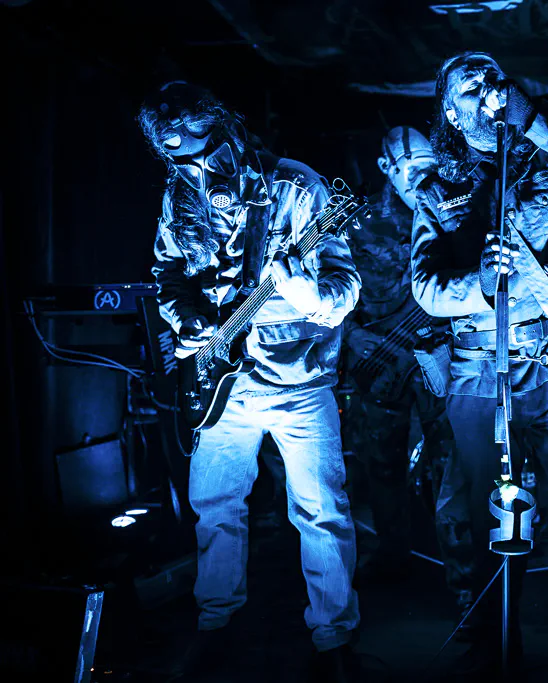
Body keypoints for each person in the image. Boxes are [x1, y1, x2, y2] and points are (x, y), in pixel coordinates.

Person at [411, 51, 548, 682]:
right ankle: (494, 648)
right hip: (480, 370)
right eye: (468, 85)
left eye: (491, 76)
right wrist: (477, 287)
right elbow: (425, 287)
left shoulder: (546, 157)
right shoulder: (435, 186)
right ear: (451, 111)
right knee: (488, 518)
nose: (485, 87)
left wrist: (531, 118)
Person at [139, 81, 362, 682]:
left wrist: (301, 289)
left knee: (321, 513)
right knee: (215, 510)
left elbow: (344, 290)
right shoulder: (179, 196)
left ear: (231, 133)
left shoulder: (297, 188)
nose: (200, 173)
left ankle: (335, 640)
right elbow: (167, 272)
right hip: (221, 388)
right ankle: (216, 626)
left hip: (300, 381)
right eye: (182, 163)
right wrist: (187, 321)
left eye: (208, 154)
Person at [342, 126, 461, 587]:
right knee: (382, 465)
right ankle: (394, 559)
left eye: (429, 166)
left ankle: (462, 574)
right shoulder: (359, 222)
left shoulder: (453, 210)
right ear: (386, 168)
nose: (421, 177)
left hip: (441, 358)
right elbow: (329, 285)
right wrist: (350, 335)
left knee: (450, 464)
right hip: (378, 364)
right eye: (411, 168)